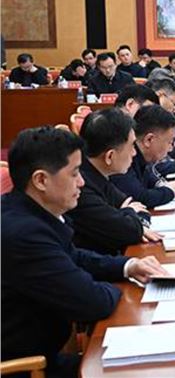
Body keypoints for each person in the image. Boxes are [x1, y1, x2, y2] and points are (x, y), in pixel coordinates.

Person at [0, 126, 166, 376]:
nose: (82, 182)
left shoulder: (27, 212)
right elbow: (95, 303)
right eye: (75, 173)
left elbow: (74, 256)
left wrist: (127, 266)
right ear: (41, 180)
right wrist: (121, 290)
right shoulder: (24, 234)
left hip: (45, 353)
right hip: (29, 368)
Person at [67, 109, 158, 254]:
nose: (135, 153)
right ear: (110, 156)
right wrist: (129, 212)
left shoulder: (97, 173)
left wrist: (127, 214)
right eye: (131, 146)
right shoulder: (80, 187)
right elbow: (129, 231)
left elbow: (138, 208)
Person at [110, 105, 175, 209]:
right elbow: (140, 197)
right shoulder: (124, 157)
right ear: (149, 140)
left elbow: (150, 179)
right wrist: (170, 191)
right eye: (169, 142)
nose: (171, 149)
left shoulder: (143, 157)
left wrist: (163, 185)